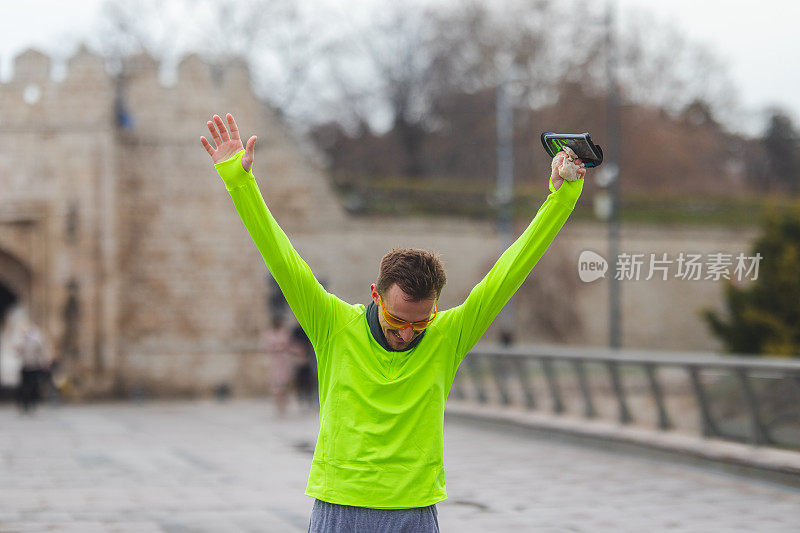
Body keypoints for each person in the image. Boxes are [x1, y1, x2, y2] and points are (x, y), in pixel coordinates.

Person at [201, 113, 586, 532]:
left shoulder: (448, 334)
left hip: (414, 512)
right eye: (396, 319)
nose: (407, 333)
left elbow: (511, 271)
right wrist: (239, 182)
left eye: (420, 324)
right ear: (374, 294)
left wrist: (562, 196)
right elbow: (281, 258)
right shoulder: (331, 323)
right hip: (339, 507)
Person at [259, 315, 295, 417]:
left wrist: (283, 348)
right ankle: (277, 404)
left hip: (284, 360)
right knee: (275, 385)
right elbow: (265, 346)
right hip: (274, 361)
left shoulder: (285, 333)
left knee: (284, 384)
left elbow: (289, 345)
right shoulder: (268, 334)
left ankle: (284, 404)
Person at [14, 319, 50, 413]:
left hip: (34, 367)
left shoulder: (36, 341)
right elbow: (17, 352)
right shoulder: (22, 342)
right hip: (25, 366)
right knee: (23, 387)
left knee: (34, 386)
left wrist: (44, 363)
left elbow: (41, 353)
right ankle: (24, 404)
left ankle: (33, 403)